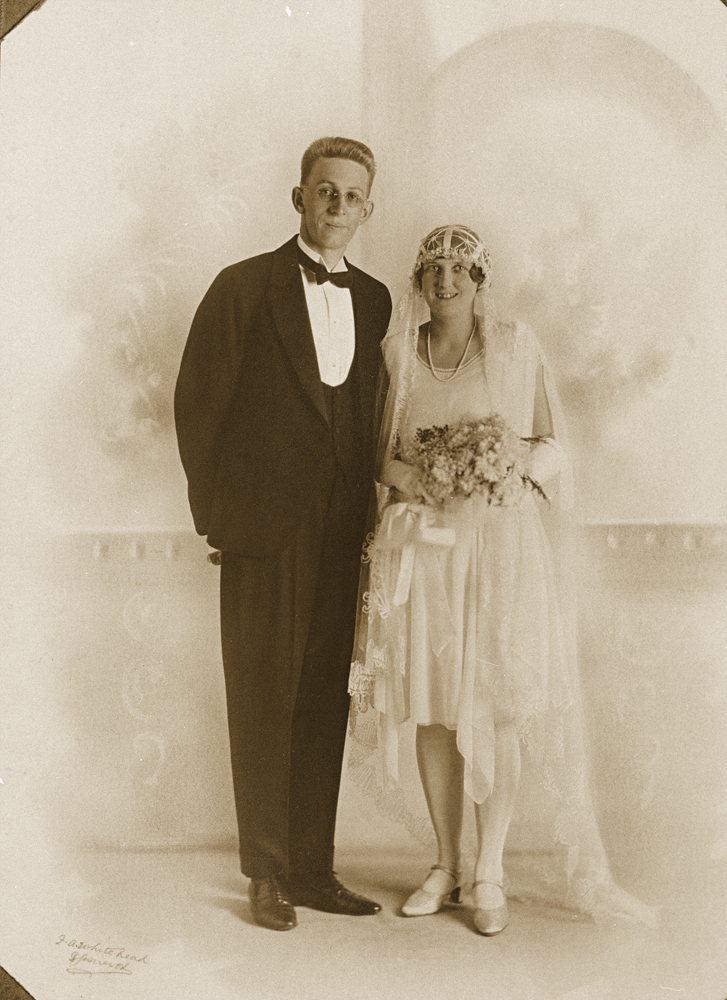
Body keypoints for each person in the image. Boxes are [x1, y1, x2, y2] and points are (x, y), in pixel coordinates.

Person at [348, 225, 658, 935]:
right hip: (426, 552)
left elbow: (551, 445)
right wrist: (422, 479)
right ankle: (446, 863)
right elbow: (377, 458)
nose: (446, 280)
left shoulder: (516, 348)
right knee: (430, 708)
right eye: (434, 268)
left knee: (499, 704)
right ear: (419, 281)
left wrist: (502, 470)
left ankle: (489, 868)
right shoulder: (399, 353)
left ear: (481, 280)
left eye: (461, 269)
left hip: (499, 553)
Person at [175, 137, 392, 931]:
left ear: (368, 210)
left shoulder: (374, 299)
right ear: (297, 198)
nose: (336, 206)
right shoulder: (241, 287)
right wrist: (218, 519)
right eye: (323, 191)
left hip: (343, 529)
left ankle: (310, 869)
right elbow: (198, 407)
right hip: (263, 529)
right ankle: (264, 873)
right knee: (262, 697)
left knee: (319, 701)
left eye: (351, 196)